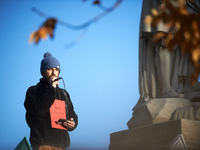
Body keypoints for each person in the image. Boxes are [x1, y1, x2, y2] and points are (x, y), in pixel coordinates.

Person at [24, 52, 78, 150]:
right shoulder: (33, 91)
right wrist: (51, 89)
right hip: (43, 143)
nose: (54, 72)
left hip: (62, 145)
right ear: (43, 72)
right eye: (50, 69)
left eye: (56, 69)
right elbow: (39, 110)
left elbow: (72, 114)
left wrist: (73, 124)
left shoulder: (64, 94)